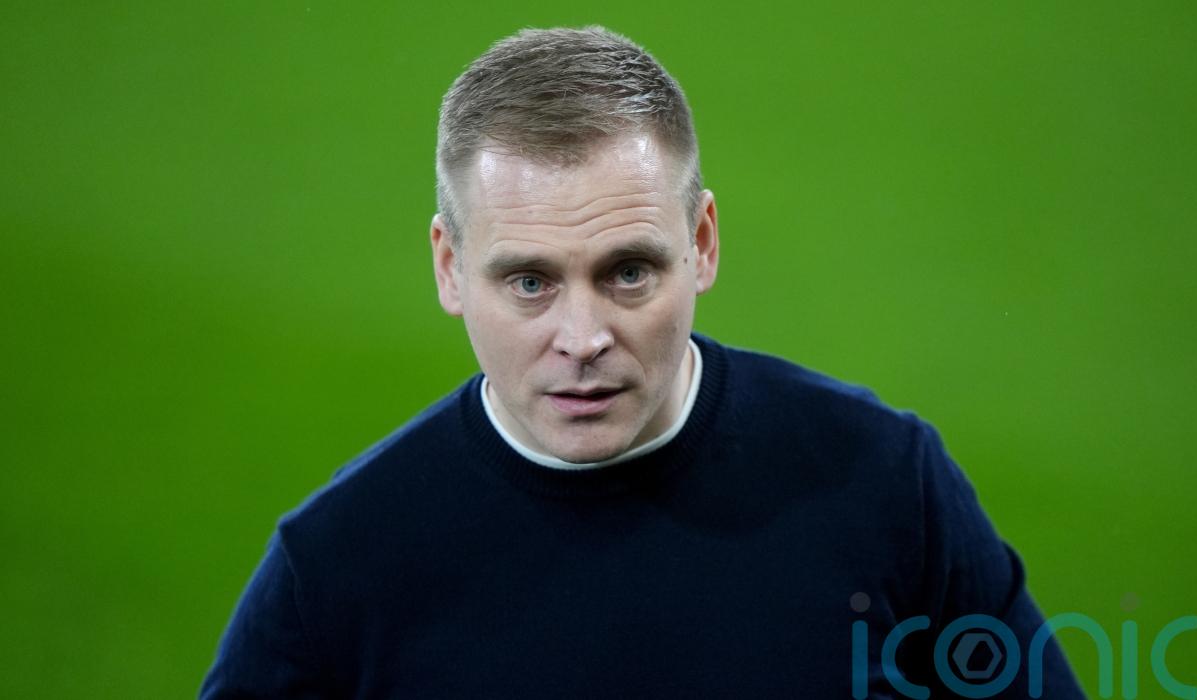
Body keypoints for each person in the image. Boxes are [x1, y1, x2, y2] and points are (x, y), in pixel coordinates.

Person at [200, 25, 1085, 698]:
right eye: (530, 283)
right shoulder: (337, 569)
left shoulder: (886, 483)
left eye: (627, 272)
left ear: (701, 243)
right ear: (448, 267)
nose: (582, 337)